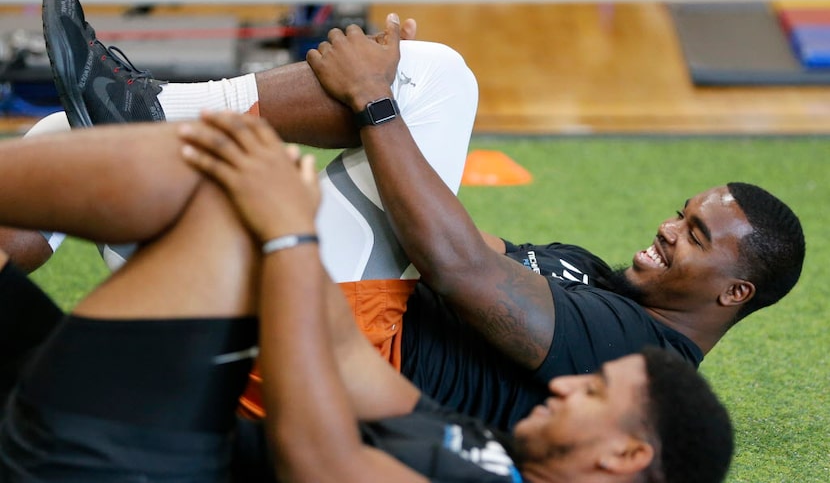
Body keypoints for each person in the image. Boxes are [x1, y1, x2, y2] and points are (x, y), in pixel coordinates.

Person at [4, 0, 806, 432]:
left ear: (734, 292)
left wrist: (382, 101)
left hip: (332, 350)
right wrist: (387, 104)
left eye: (695, 235)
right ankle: (124, 126)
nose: (669, 227)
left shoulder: (649, 359)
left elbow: (455, 268)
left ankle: (147, 104)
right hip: (329, 307)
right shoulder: (592, 279)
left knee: (438, 80)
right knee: (63, 146)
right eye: (681, 211)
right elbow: (456, 234)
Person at [0, 111, 734, 483]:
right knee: (242, 181)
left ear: (627, 452)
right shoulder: (487, 453)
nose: (569, 381)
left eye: (595, 388)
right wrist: (283, 212)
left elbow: (318, 458)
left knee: (210, 190)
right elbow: (349, 358)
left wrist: (286, 235)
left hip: (123, 458)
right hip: (150, 428)